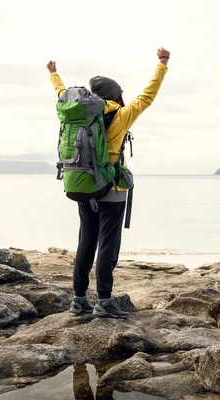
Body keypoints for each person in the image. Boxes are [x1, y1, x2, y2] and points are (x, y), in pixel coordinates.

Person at [46, 47, 170, 318]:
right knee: (108, 246)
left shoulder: (80, 112)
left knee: (86, 242)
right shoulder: (120, 114)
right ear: (115, 95)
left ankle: (78, 300)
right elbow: (147, 96)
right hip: (112, 188)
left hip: (83, 185)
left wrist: (54, 75)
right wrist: (162, 63)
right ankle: (104, 301)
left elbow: (60, 93)